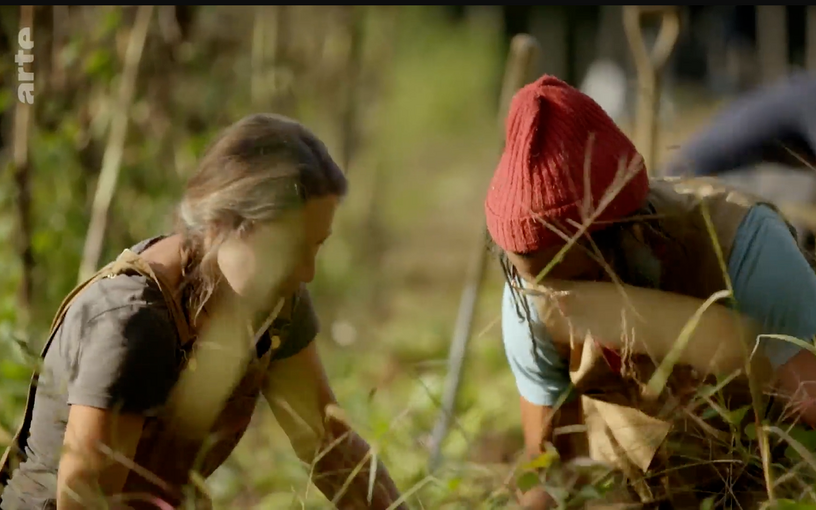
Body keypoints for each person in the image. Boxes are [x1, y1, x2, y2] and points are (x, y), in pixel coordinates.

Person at [0, 114, 406, 510]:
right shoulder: (134, 323)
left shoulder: (277, 302)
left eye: (315, 246)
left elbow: (329, 449)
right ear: (223, 226)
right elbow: (86, 501)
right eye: (290, 248)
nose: (307, 272)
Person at [485, 76, 816, 508]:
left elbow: (810, 406)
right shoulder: (529, 303)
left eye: (580, 282)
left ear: (634, 233)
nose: (561, 306)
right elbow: (549, 475)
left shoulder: (744, 247)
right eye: (542, 286)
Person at [662, 72, 816, 252]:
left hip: (683, 183)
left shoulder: (801, 89)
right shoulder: (810, 97)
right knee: (802, 185)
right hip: (694, 186)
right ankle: (788, 258)